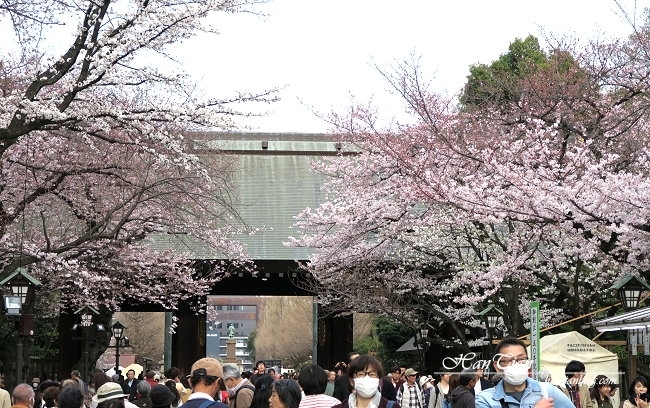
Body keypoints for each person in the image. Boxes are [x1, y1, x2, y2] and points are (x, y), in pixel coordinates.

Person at [475, 337, 574, 408]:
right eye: (509, 360)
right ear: (497, 366)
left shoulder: (548, 391)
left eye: (521, 359)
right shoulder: (486, 400)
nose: (516, 364)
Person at [330, 354, 400, 408]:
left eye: (372, 374)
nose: (367, 378)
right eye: (361, 374)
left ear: (378, 379)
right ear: (351, 381)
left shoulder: (392, 407)